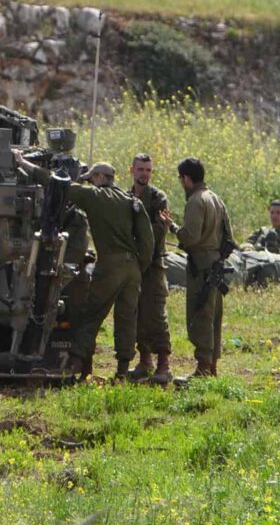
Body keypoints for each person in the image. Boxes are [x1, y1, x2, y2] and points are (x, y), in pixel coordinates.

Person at [15, 153, 154, 379]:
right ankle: (121, 371)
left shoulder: (95, 196)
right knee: (127, 319)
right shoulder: (132, 201)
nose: (90, 182)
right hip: (133, 268)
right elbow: (147, 242)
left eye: (91, 178)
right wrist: (139, 267)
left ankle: (77, 364)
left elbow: (57, 183)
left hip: (110, 265)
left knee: (92, 314)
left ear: (99, 177)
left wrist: (23, 163)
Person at [159, 157, 231, 378]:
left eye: (181, 178)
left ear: (187, 179)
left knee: (200, 315)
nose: (181, 183)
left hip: (200, 266)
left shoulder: (195, 201)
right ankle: (212, 367)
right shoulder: (216, 199)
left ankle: (203, 368)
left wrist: (171, 227)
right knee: (213, 316)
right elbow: (229, 237)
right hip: (216, 265)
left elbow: (190, 237)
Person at [128, 153, 172, 384]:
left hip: (153, 264)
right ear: (132, 170)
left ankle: (164, 364)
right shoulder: (126, 197)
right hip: (134, 265)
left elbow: (157, 231)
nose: (145, 174)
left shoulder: (157, 198)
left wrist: (137, 238)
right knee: (136, 313)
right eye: (141, 169)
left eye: (148, 170)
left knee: (155, 312)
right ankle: (145, 361)